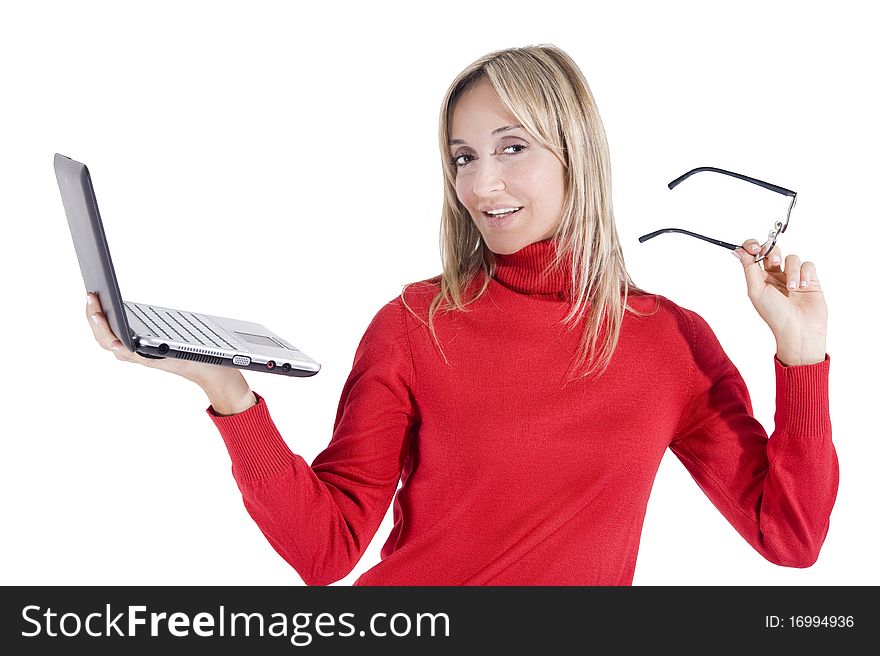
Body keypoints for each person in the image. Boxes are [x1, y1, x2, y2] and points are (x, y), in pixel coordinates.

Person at [84, 44, 837, 585]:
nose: (482, 184)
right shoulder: (416, 324)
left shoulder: (669, 342)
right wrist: (229, 392)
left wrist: (801, 360)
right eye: (463, 157)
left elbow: (791, 537)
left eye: (513, 148)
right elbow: (328, 551)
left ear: (577, 154)